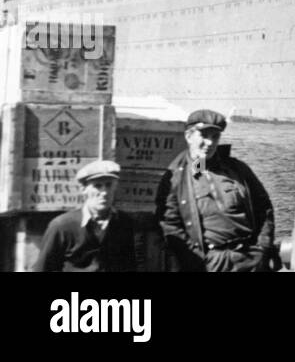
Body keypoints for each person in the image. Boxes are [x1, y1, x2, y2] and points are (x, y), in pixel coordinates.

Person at [157, 109, 277, 272]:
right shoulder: (176, 178)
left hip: (249, 259)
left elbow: (264, 208)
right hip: (211, 262)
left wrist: (262, 248)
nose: (210, 143)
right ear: (188, 136)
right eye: (204, 135)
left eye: (215, 136)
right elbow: (169, 224)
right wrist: (196, 260)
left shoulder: (237, 169)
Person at [35, 160, 136, 272]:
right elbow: (43, 268)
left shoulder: (124, 223)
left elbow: (130, 265)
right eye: (97, 186)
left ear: (115, 187)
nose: (104, 192)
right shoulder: (62, 226)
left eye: (109, 185)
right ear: (84, 189)